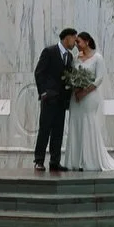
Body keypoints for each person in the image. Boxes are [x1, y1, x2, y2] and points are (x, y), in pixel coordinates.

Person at [62, 32, 114, 173]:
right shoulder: (75, 58)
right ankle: (74, 161)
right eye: (75, 42)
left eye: (79, 42)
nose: (77, 45)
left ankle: (90, 160)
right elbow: (72, 76)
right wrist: (76, 89)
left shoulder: (97, 58)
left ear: (87, 42)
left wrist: (85, 91)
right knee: (75, 124)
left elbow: (99, 78)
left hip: (89, 97)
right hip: (75, 97)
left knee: (88, 124)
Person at [33, 27, 78, 173]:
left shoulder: (70, 57)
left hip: (62, 101)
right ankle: (39, 160)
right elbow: (39, 72)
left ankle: (55, 161)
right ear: (66, 38)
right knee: (45, 129)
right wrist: (43, 93)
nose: (75, 42)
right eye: (74, 38)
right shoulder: (49, 51)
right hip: (49, 99)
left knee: (58, 132)